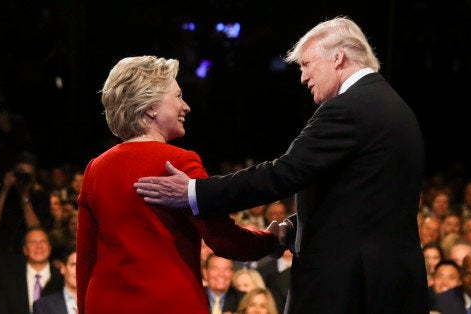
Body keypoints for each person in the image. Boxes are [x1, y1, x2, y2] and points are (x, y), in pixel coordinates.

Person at [134, 16, 428, 313]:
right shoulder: (393, 106)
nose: (302, 77)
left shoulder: (349, 107)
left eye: (306, 64)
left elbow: (283, 173)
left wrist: (195, 191)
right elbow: (364, 203)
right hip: (388, 284)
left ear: (338, 57)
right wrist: (295, 226)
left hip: (350, 288)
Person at [77, 55, 283, 314]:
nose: (186, 106)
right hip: (168, 303)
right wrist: (271, 241)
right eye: (178, 96)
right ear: (151, 107)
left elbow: (86, 260)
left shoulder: (95, 168)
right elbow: (223, 240)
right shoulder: (180, 162)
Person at [0, 227, 63, 314]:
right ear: (25, 250)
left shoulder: (61, 278)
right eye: (33, 242)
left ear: (50, 248)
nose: (39, 246)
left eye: (43, 241)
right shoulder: (9, 279)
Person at [33, 249, 77, 314]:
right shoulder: (44, 306)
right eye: (74, 265)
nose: (79, 271)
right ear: (63, 268)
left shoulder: (96, 302)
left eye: (84, 265)